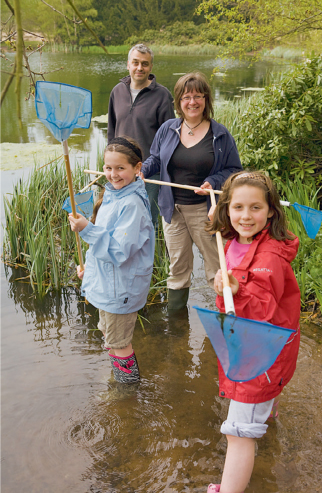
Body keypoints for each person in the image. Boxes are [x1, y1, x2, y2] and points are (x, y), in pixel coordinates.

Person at [205, 171, 301, 493]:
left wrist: (236, 289)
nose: (246, 216)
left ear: (271, 210)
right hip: (258, 346)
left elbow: (262, 311)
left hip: (261, 352)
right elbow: (233, 303)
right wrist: (224, 288)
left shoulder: (269, 257)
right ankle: (268, 410)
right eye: (238, 208)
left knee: (238, 432)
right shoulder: (236, 241)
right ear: (227, 210)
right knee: (257, 409)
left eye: (255, 208)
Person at [140, 72, 242, 310]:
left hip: (205, 212)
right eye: (186, 97)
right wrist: (144, 169)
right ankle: (176, 328)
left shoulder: (220, 135)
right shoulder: (168, 128)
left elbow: (234, 170)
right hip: (171, 210)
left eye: (198, 96)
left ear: (206, 99)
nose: (192, 102)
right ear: (178, 101)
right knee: (177, 268)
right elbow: (155, 157)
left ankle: (227, 316)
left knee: (216, 267)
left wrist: (213, 182)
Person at [68, 137, 155, 384]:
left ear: (137, 168)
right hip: (108, 284)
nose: (113, 175)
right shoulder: (112, 195)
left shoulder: (132, 203)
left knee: (119, 342)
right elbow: (103, 243)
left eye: (120, 168)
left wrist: (86, 228)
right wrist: (90, 272)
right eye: (108, 168)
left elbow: (119, 250)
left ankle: (127, 391)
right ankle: (118, 378)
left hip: (122, 289)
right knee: (108, 333)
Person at [108, 44, 175, 226]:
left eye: (144, 64)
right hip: (120, 170)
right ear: (128, 65)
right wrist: (109, 164)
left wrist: (154, 167)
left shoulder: (162, 96)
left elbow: (169, 140)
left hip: (149, 173)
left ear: (151, 67)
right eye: (135, 63)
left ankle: (150, 255)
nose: (140, 68)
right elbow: (111, 131)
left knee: (147, 221)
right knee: (120, 218)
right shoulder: (117, 92)